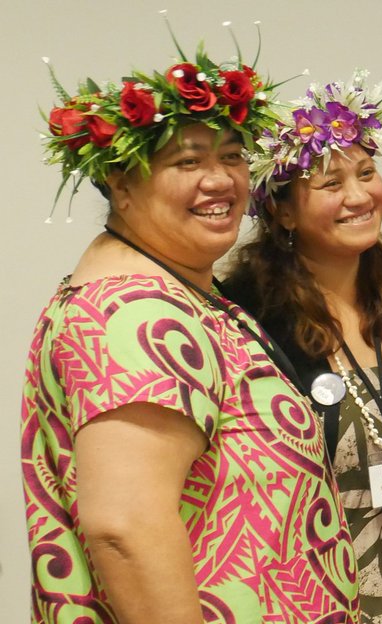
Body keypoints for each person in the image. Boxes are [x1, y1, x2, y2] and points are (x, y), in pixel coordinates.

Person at [22, 37, 359, 623]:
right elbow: (126, 528)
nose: (221, 180)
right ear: (121, 186)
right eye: (188, 162)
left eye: (232, 157)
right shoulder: (133, 312)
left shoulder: (181, 291)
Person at [222, 71, 382, 624]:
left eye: (367, 173)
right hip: (297, 606)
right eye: (330, 184)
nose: (358, 196)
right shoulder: (246, 314)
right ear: (282, 210)